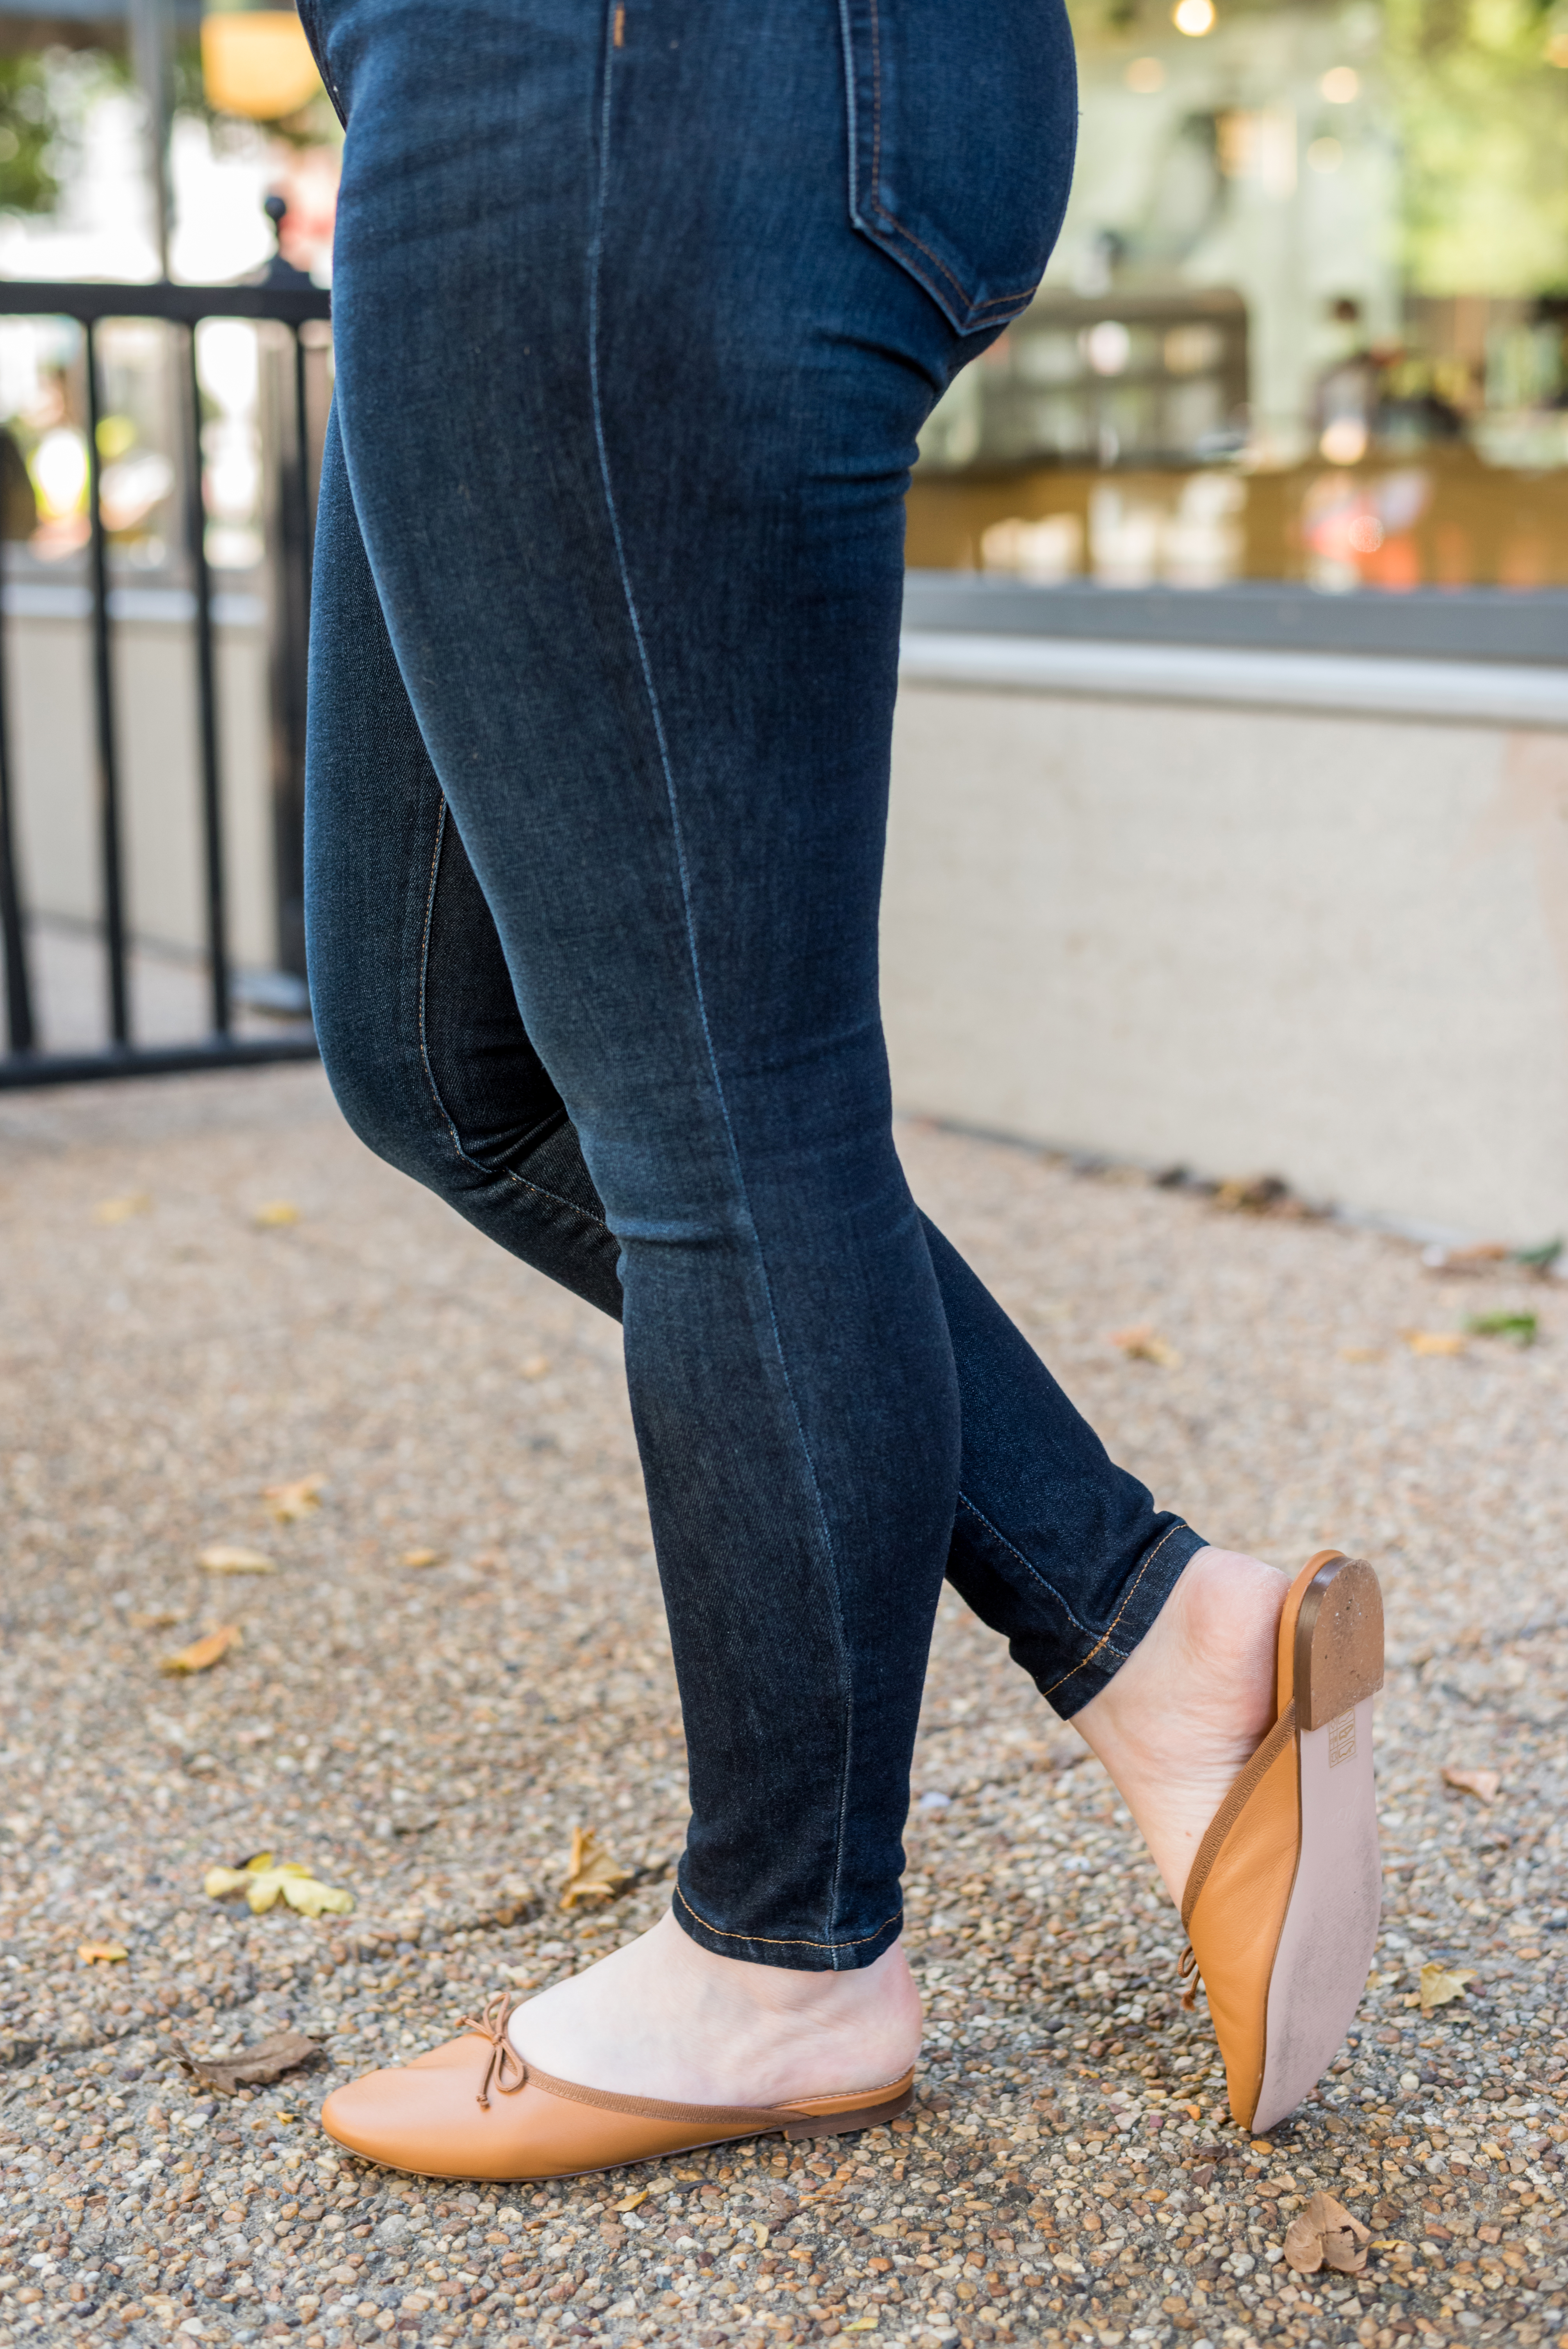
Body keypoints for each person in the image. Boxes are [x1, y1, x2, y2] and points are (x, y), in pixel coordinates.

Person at [299, 0, 1383, 2183]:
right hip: (563, 89)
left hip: (637, 76)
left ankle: (786, 1957)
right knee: (451, 1064)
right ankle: (1163, 1632)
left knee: (717, 1085)